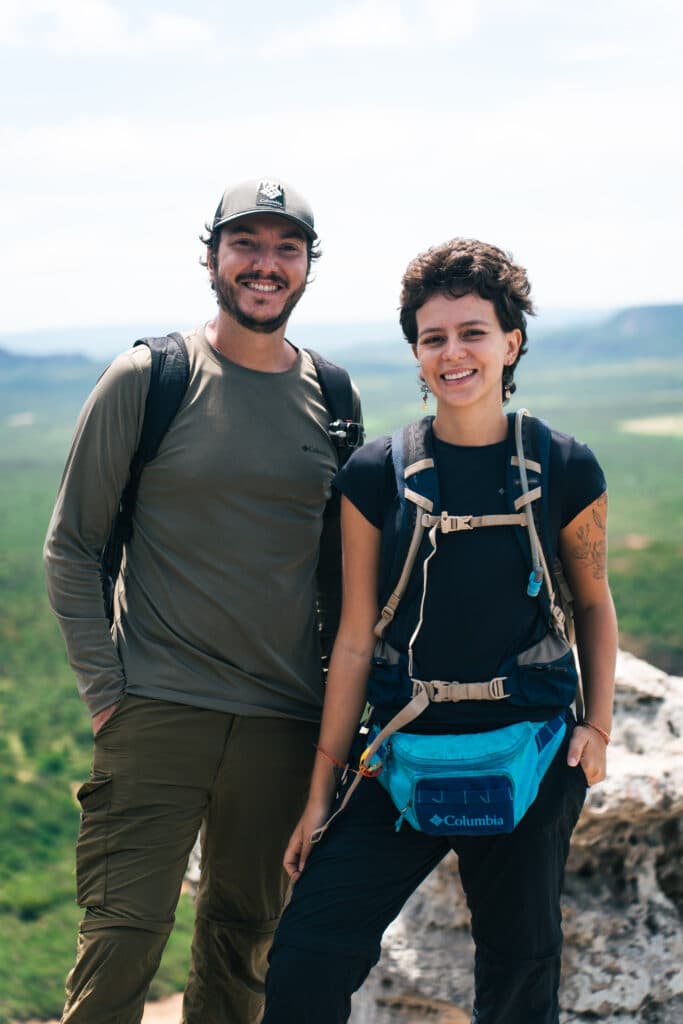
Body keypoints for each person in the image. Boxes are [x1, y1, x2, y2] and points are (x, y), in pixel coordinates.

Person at [262, 237, 617, 1024]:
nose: (452, 352)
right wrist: (320, 796)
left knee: (520, 978)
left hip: (528, 755)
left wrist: (596, 727)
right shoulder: (374, 474)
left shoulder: (563, 466)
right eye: (432, 338)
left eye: (472, 332)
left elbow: (591, 601)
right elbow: (354, 636)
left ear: (510, 343)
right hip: (396, 754)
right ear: (416, 354)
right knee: (305, 960)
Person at [43, 177, 362, 1024]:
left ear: (306, 267)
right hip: (157, 709)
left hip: (283, 723)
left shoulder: (333, 396)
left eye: (285, 248)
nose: (265, 265)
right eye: (246, 245)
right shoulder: (150, 376)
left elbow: (346, 572)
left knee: (242, 949)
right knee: (119, 942)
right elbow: (72, 545)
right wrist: (109, 697)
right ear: (212, 257)